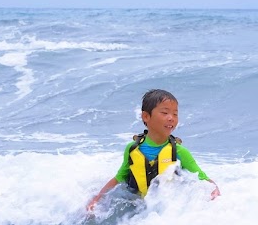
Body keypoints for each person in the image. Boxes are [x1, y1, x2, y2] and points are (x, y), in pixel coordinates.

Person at [87, 89, 220, 211]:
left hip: (167, 211)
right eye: (165, 113)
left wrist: (214, 191)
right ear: (146, 117)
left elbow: (202, 178)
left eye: (175, 114)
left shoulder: (179, 151)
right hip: (137, 208)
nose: (171, 118)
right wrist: (97, 199)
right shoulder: (133, 149)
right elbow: (120, 177)